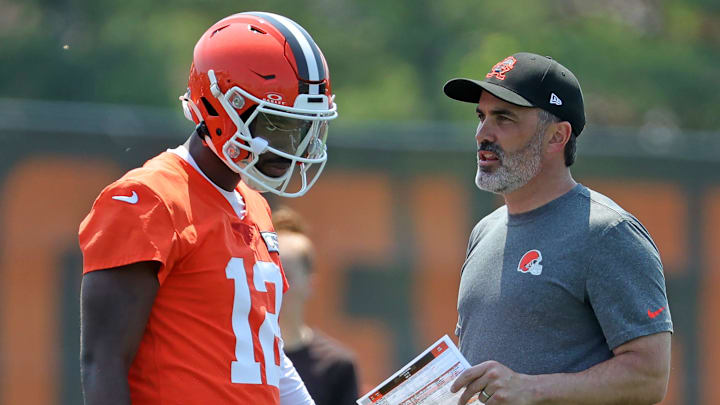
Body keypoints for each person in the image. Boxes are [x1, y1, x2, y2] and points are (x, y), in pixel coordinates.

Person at [78, 12, 337, 405]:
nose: (293, 145)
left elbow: (264, 353)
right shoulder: (148, 198)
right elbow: (104, 362)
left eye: (301, 127)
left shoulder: (256, 206)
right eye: (276, 124)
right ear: (219, 106)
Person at [442, 52, 672, 404]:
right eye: (481, 116)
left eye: (503, 118)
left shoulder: (608, 232)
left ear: (557, 136)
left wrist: (529, 389)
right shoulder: (485, 231)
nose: (483, 134)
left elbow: (649, 377)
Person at [272, 206, 360, 405]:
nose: (275, 285)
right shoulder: (238, 354)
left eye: (286, 274)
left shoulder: (337, 364)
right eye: (269, 272)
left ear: (310, 284)